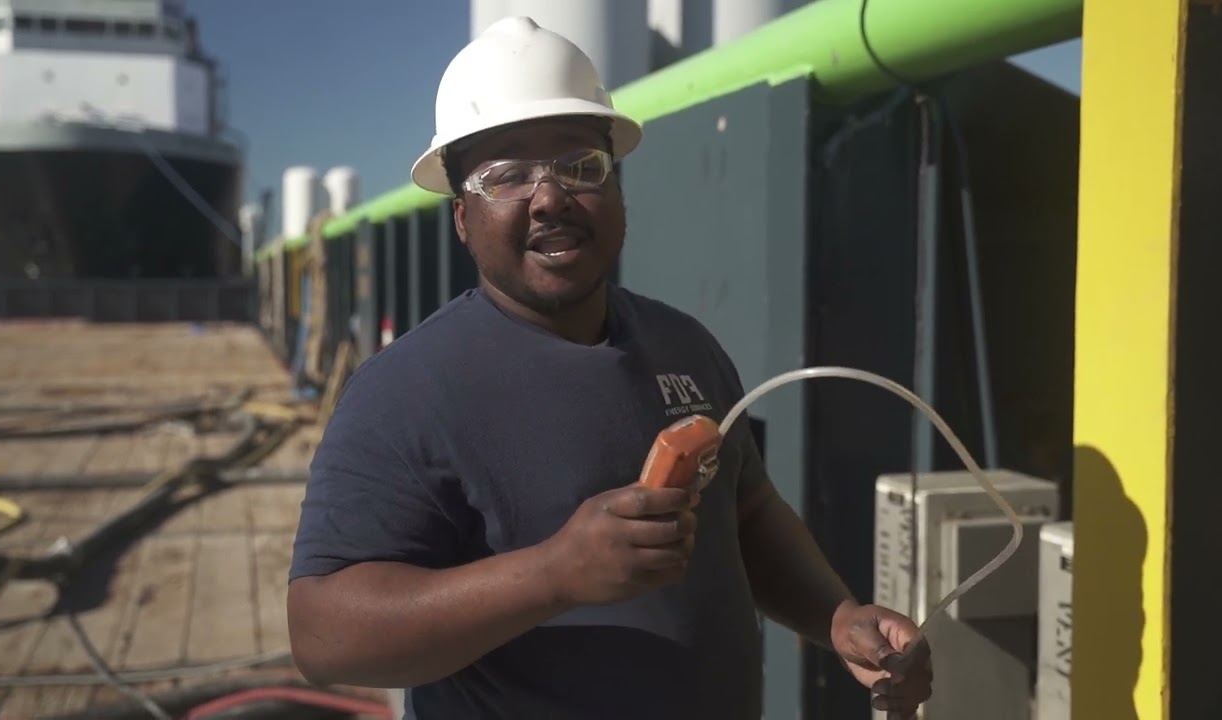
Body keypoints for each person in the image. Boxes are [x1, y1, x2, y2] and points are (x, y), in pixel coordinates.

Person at [287, 16, 932, 720]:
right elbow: (324, 634)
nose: (551, 196)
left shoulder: (684, 344)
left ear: (619, 191)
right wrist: (555, 574)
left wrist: (836, 617)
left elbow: (746, 512)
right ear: (463, 218)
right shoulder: (406, 390)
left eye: (580, 166)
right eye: (505, 175)